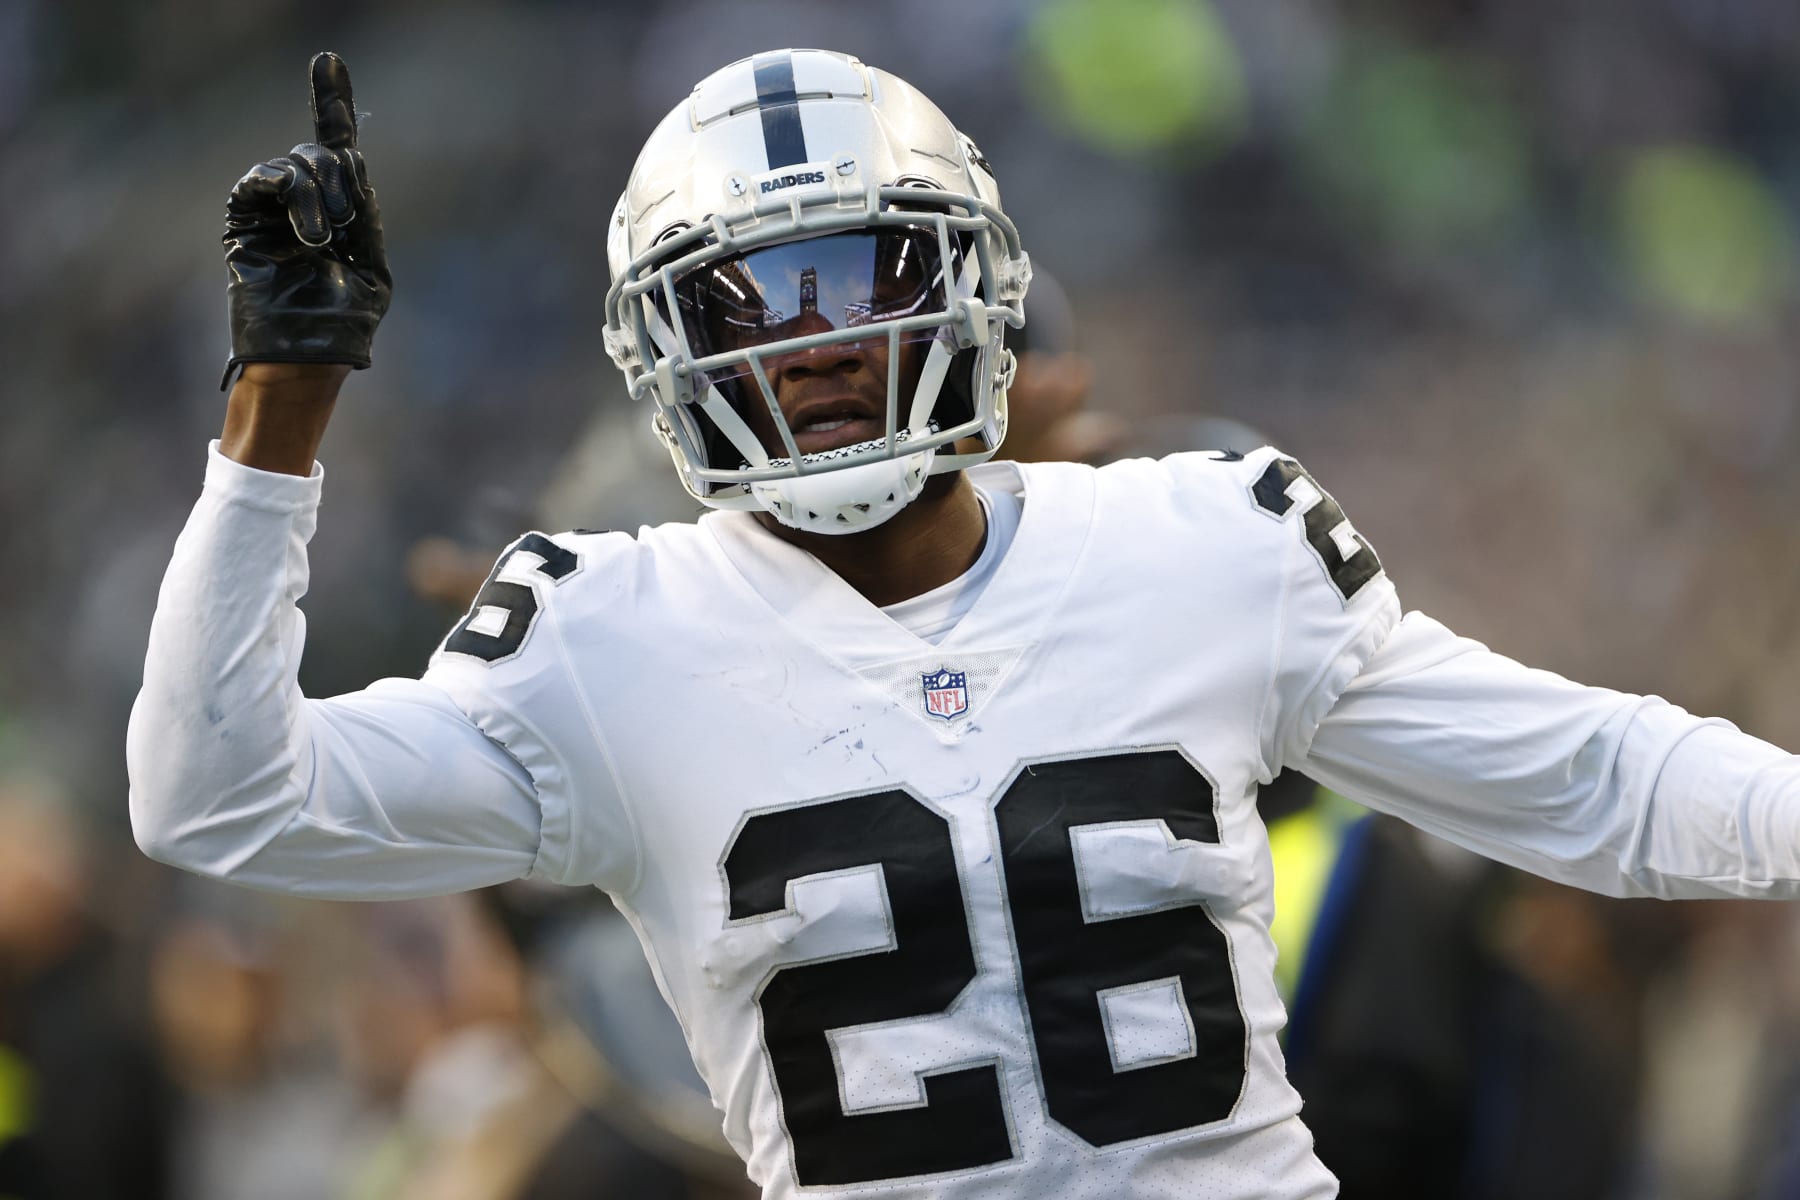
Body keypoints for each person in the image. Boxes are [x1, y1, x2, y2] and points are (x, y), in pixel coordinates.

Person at [128, 48, 1800, 1200]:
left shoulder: (1200, 536)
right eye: (745, 303)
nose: (812, 344)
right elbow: (215, 797)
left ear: (963, 275)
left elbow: (1595, 776)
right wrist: (279, 413)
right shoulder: (602, 633)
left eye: (851, 274)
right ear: (660, 348)